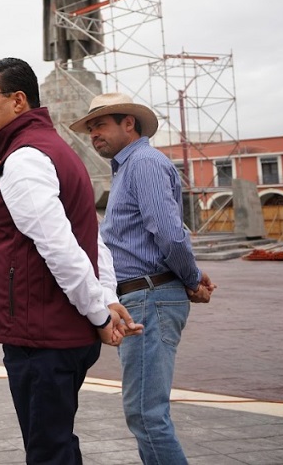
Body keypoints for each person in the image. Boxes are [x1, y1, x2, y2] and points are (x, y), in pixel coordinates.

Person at [0, 57, 140, 464]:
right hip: (63, 332)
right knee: (57, 441)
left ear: (17, 101)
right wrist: (105, 297)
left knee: (47, 450)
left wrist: (100, 312)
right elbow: (90, 235)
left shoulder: (25, 159)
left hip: (40, 336)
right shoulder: (57, 150)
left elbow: (61, 246)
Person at [71, 93, 215, 464]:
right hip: (143, 295)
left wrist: (192, 277)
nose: (94, 135)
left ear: (128, 123)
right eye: (90, 128)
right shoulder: (128, 168)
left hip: (150, 296)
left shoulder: (144, 164)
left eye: (100, 125)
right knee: (144, 413)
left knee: (147, 415)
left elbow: (169, 233)